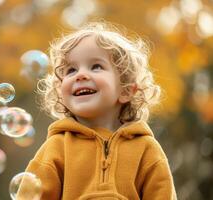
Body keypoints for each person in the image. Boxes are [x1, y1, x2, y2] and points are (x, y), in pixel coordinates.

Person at [18, 20, 177, 200]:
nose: (80, 75)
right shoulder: (57, 147)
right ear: (61, 92)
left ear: (125, 90)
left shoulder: (146, 149)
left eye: (96, 66)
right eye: (71, 70)